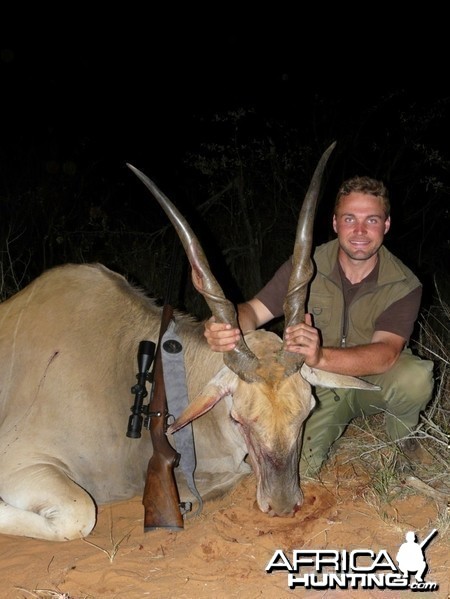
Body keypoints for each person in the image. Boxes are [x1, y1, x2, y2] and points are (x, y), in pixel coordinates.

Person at [204, 176, 434, 476]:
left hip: (374, 384)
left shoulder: (404, 283)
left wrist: (320, 357)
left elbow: (386, 354)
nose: (360, 231)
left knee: (414, 378)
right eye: (350, 218)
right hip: (318, 385)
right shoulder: (304, 266)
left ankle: (402, 437)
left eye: (372, 220)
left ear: (386, 225)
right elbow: (252, 311)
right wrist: (226, 325)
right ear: (335, 223)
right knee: (301, 468)